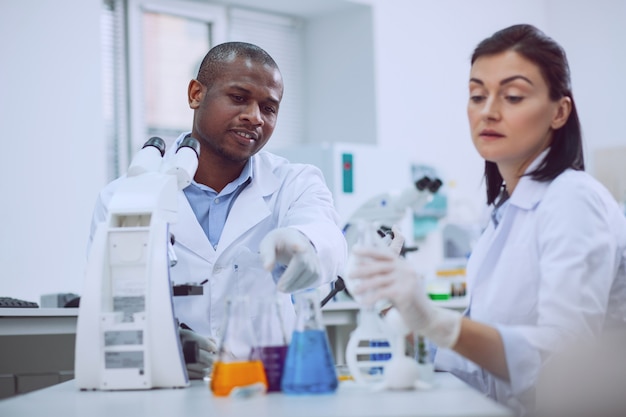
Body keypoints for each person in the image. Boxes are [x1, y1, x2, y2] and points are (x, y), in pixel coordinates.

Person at [346, 24, 626, 416]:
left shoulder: (572, 199)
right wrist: (395, 304)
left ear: (560, 111)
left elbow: (564, 360)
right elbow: (480, 361)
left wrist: (439, 321)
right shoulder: (504, 209)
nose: (488, 111)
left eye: (512, 96)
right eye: (477, 95)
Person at [88, 42, 348, 378]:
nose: (254, 117)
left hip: (267, 389)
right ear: (196, 94)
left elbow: (326, 234)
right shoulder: (121, 199)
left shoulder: (293, 182)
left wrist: (303, 243)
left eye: (269, 108)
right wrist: (163, 346)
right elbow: (108, 308)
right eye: (239, 98)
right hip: (165, 388)